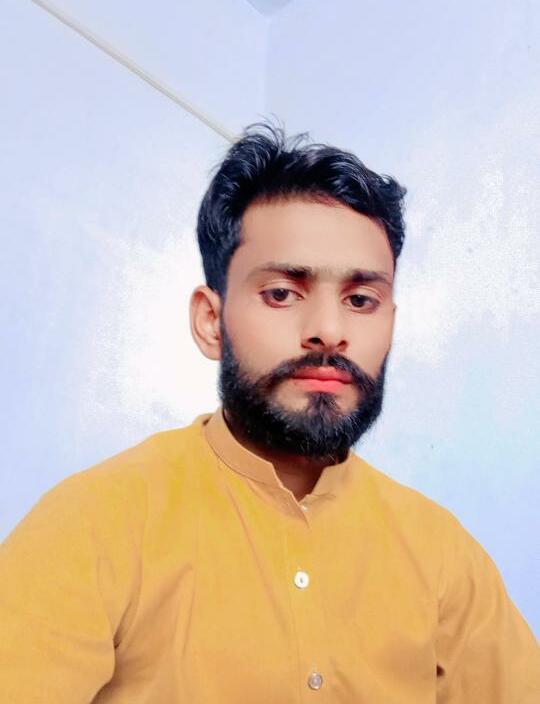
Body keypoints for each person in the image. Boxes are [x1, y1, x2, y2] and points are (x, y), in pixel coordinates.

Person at [0, 123, 538, 703]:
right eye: (282, 292)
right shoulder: (94, 525)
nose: (329, 331)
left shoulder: (443, 556)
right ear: (211, 321)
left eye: (361, 300)